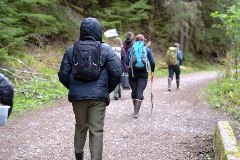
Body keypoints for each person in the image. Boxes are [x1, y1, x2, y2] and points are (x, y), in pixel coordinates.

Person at [58, 17, 122, 160]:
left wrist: (74, 88)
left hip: (78, 97)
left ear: (82, 30)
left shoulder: (71, 50)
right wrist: (106, 89)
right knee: (96, 130)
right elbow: (117, 72)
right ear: (98, 31)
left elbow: (63, 74)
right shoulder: (105, 49)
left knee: (80, 126)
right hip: (98, 98)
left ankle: (79, 157)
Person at [124, 34, 155, 118]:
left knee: (134, 91)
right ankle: (136, 112)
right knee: (139, 91)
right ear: (143, 40)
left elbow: (126, 62)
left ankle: (135, 109)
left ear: (135, 40)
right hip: (143, 73)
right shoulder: (147, 49)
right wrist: (152, 71)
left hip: (132, 73)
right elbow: (152, 62)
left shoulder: (131, 49)